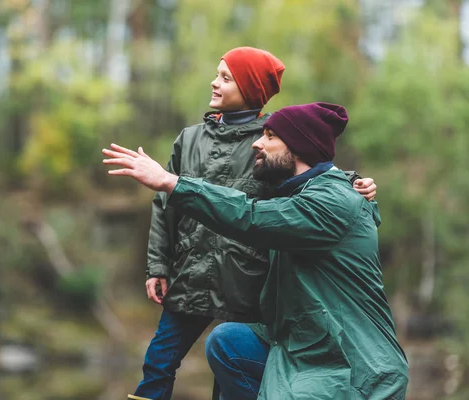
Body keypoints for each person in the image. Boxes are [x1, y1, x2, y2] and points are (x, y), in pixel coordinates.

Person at [102, 102, 408, 399]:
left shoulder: (329, 201)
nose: (257, 143)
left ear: (299, 147)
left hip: (355, 368)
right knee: (228, 340)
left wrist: (172, 183)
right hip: (308, 350)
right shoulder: (303, 192)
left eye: (270, 136)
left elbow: (249, 216)